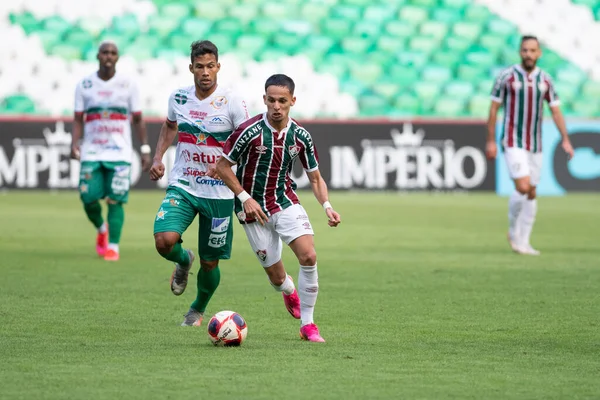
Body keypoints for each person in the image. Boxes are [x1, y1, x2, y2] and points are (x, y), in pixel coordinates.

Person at [216, 74, 341, 343]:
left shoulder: (301, 136)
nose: (276, 106)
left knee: (308, 256)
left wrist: (327, 206)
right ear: (264, 99)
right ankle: (287, 289)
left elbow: (315, 177)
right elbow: (222, 167)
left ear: (292, 101)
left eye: (282, 101)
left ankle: (308, 325)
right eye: (271, 100)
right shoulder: (248, 132)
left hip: (284, 201)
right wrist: (244, 197)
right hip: (251, 212)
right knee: (276, 278)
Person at [149, 40, 251, 327]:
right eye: (199, 67)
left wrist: (227, 166)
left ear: (218, 67)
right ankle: (183, 259)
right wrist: (158, 157)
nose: (205, 72)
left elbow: (245, 141)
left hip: (218, 194)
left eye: (210, 66)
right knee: (163, 240)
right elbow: (170, 126)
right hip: (183, 184)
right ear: (191, 68)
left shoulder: (232, 101)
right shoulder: (179, 97)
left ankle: (196, 310)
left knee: (210, 262)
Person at [486, 35, 574, 255]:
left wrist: (565, 139)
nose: (528, 54)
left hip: (535, 143)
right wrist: (490, 140)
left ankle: (523, 242)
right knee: (523, 186)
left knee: (532, 192)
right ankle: (513, 230)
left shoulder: (545, 80)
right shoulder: (506, 77)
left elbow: (555, 110)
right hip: (512, 139)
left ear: (539, 53)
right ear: (520, 52)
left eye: (533, 50)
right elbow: (493, 109)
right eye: (525, 50)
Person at [71, 41, 151, 262]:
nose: (108, 56)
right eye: (105, 52)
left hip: (120, 152)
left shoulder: (128, 84)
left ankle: (113, 246)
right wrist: (74, 142)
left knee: (116, 200)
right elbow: (78, 118)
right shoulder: (85, 85)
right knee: (87, 198)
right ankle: (101, 227)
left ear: (117, 57)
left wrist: (144, 149)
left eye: (113, 53)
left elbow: (137, 119)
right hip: (92, 151)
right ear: (98, 56)